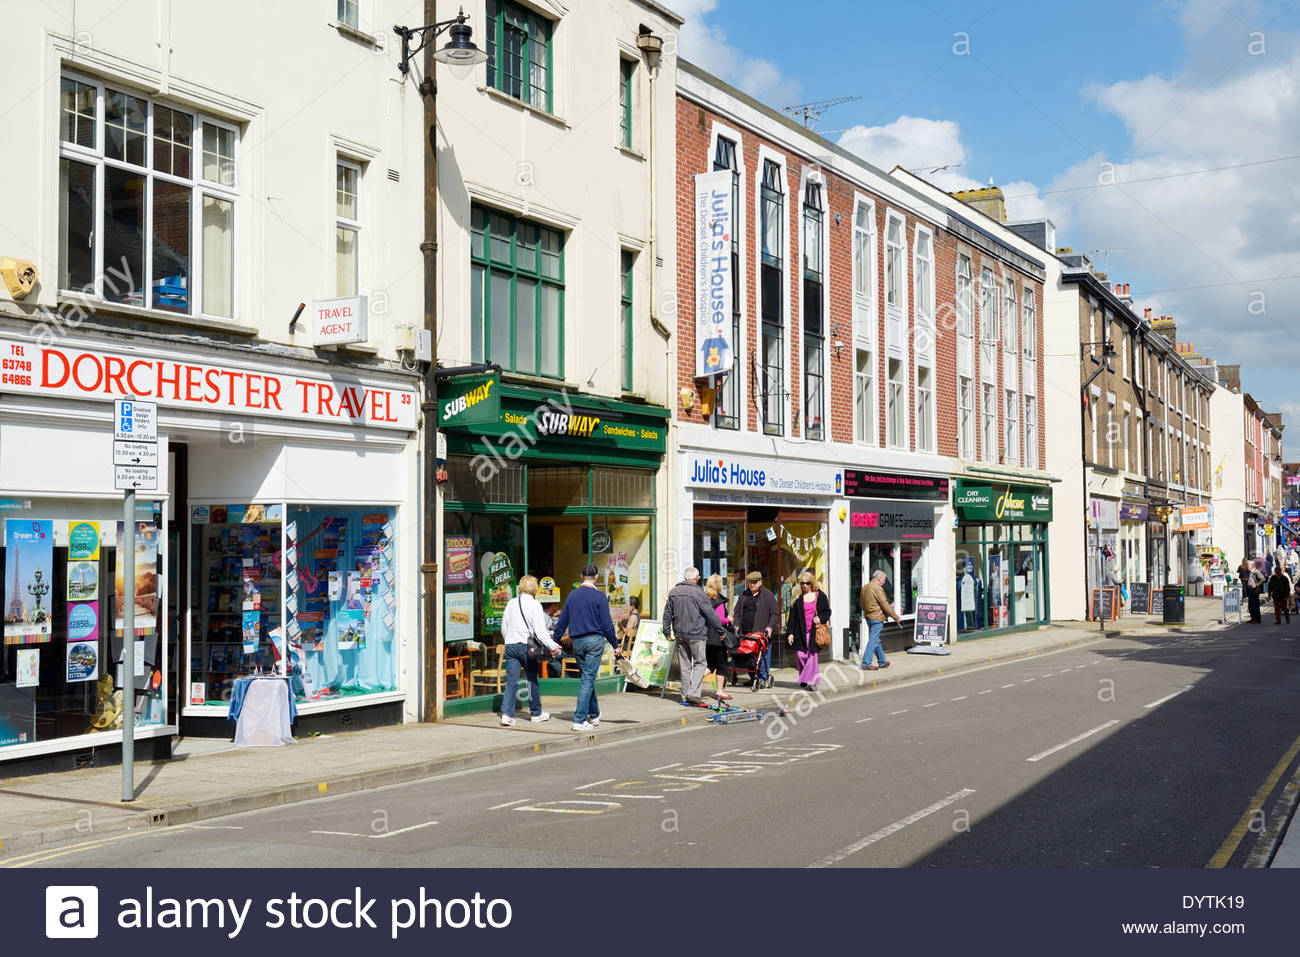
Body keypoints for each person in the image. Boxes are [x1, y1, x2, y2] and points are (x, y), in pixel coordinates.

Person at [551, 563, 622, 731]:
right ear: (596, 577)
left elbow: (562, 622)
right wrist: (615, 645)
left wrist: (555, 642)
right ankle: (579, 719)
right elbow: (607, 624)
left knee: (586, 678)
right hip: (594, 641)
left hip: (577, 642)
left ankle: (595, 714)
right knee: (588, 679)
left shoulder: (572, 595)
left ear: (581, 576)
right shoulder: (599, 597)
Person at [498, 575, 563, 726]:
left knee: (511, 682)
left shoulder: (511, 603)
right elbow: (540, 632)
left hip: (511, 646)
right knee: (531, 678)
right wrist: (553, 646)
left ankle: (506, 714)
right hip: (527, 647)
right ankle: (536, 713)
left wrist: (509, 640)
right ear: (534, 589)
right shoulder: (535, 605)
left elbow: (504, 627)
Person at [662, 566, 724, 705]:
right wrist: (720, 630)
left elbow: (667, 614)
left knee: (685, 666)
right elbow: (711, 614)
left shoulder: (674, 592)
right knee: (700, 663)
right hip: (697, 634)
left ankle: (685, 696)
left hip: (680, 633)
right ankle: (692, 693)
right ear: (696, 578)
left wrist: (666, 631)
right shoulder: (699, 593)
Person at [732, 570, 779, 689]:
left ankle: (763, 679)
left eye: (755, 582)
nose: (752, 584)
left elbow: (774, 614)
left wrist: (770, 626)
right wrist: (736, 624)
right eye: (750, 582)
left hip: (761, 632)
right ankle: (754, 677)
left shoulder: (768, 596)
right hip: (746, 631)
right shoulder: (744, 595)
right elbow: (737, 612)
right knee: (748, 656)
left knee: (762, 656)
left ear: (760, 582)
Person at [785, 569, 831, 690]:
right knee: (800, 655)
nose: (805, 585)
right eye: (802, 583)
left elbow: (827, 612)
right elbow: (792, 618)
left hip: (814, 632)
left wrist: (820, 618)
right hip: (800, 632)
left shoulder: (820, 596)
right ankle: (804, 677)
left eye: (807, 583)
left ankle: (812, 681)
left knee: (812, 656)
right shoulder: (798, 599)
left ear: (812, 583)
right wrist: (790, 633)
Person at [860, 569, 902, 671]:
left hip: (868, 616)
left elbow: (861, 603)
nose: (884, 582)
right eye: (884, 580)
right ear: (879, 579)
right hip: (877, 617)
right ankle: (866, 662)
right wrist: (895, 617)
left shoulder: (865, 587)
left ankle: (882, 661)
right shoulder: (877, 588)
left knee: (876, 639)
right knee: (873, 640)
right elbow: (885, 604)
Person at [703, 574, 733, 701]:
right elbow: (719, 619)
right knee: (722, 665)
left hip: (706, 637)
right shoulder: (718, 600)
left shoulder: (704, 598)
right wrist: (729, 619)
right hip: (717, 637)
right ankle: (719, 691)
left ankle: (692, 683)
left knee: (710, 665)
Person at [1240, 558, 1263, 623]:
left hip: (1255, 590)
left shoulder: (1256, 572)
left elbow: (1263, 579)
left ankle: (1257, 619)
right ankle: (1253, 618)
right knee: (1251, 605)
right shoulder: (1251, 572)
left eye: (1248, 565)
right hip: (1250, 589)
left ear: (1252, 566)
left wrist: (1256, 585)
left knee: (1255, 605)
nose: (1247, 567)